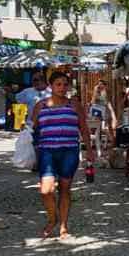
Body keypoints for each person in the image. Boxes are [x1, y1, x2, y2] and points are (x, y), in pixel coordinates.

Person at [31, 71, 94, 239]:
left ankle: (64, 225)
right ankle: (53, 219)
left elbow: (84, 128)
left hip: (69, 151)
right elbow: (33, 129)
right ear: (50, 86)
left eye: (65, 84)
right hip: (47, 152)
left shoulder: (74, 105)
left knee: (65, 188)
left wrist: (89, 150)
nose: (62, 87)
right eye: (58, 84)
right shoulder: (40, 106)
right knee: (46, 190)